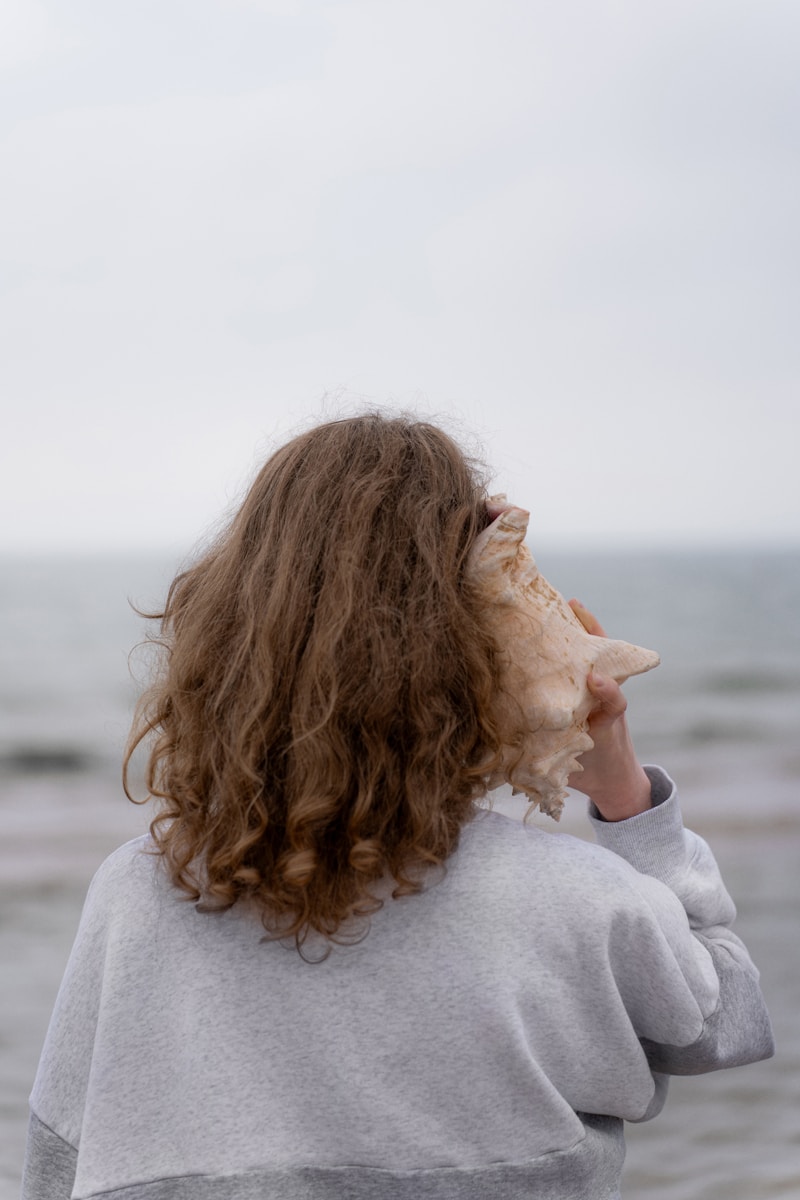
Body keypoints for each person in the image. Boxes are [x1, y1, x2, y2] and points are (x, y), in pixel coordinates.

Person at [22, 413, 774, 1200]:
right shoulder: (576, 903)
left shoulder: (136, 898)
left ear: (231, 630)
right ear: (474, 640)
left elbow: (56, 1170)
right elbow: (726, 1020)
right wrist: (623, 794)